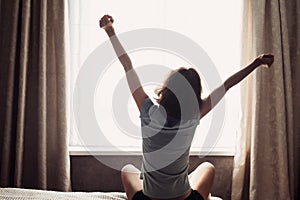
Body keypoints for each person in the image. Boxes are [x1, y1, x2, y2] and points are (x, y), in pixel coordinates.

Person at [99, 15, 274, 200]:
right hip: (184, 198)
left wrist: (110, 31)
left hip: (150, 198)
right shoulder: (194, 115)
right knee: (207, 168)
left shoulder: (148, 110)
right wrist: (256, 63)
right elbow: (227, 85)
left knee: (127, 170)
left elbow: (128, 66)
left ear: (168, 89)